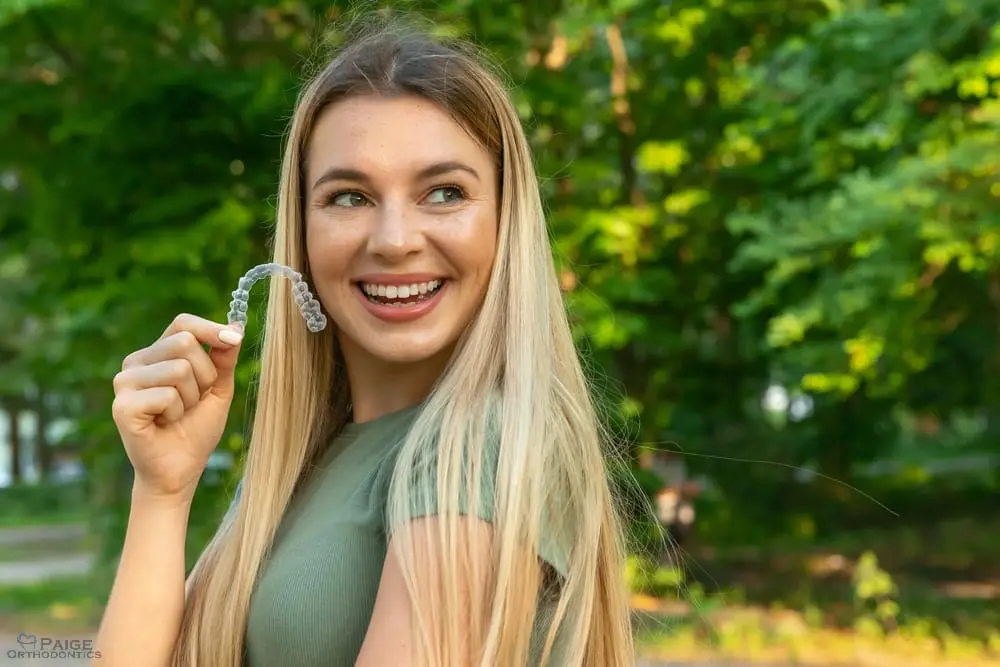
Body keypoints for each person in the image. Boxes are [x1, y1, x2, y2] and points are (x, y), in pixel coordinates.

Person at [94, 17, 634, 667]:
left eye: (444, 192)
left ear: (504, 220)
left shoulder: (479, 447)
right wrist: (163, 489)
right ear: (303, 228)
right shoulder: (290, 468)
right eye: (349, 196)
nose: (394, 239)